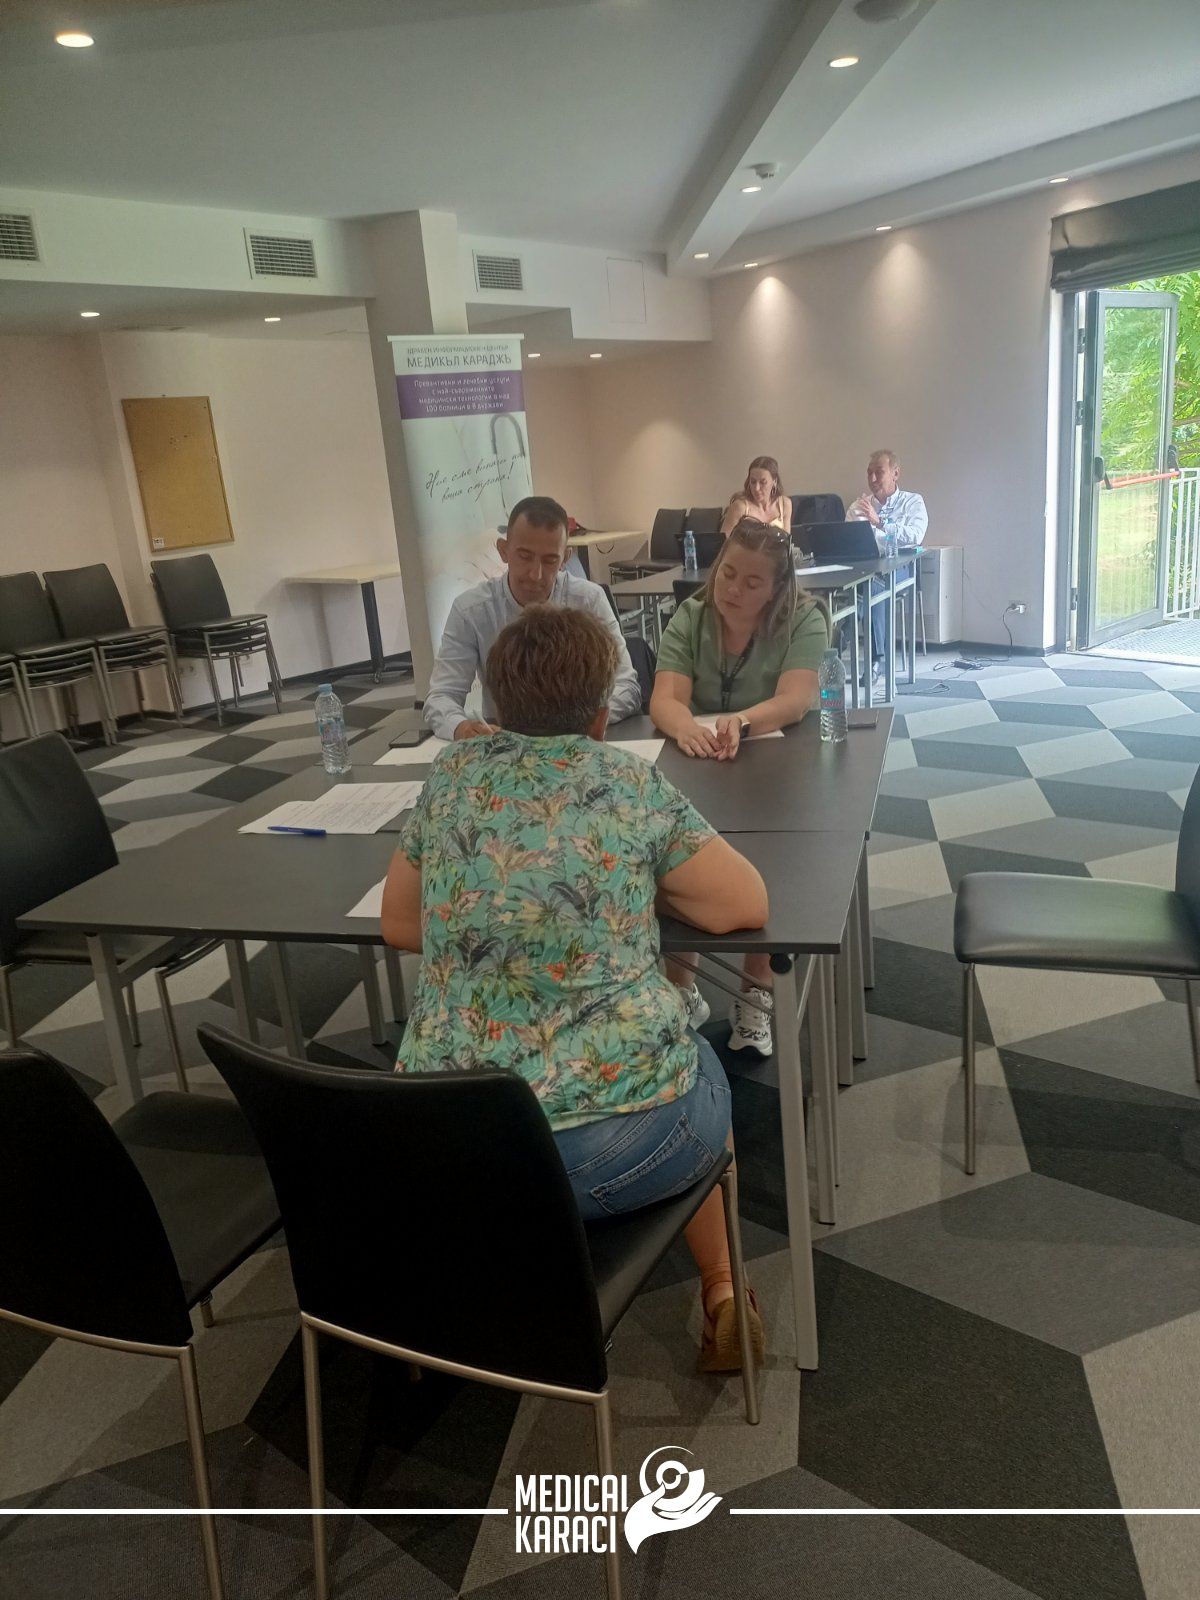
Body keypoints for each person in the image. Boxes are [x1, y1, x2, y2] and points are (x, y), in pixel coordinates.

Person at [383, 605, 769, 1370]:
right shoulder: (626, 781)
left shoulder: (453, 775)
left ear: (496, 705)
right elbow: (744, 903)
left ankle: (477, 1284)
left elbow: (400, 921)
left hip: (443, 1145)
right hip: (601, 1155)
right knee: (699, 1057)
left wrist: (504, 916)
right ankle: (724, 1289)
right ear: (600, 715)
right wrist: (622, 895)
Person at [649, 518, 830, 1055]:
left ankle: (756, 993)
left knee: (766, 861)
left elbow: (796, 698)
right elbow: (666, 699)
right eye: (727, 573)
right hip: (703, 758)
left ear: (776, 588)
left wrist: (744, 721)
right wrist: (685, 727)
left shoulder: (804, 618)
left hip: (777, 764)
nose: (733, 589)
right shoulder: (691, 615)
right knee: (675, 858)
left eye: (752, 582)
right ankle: (683, 990)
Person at [424, 494, 642, 740]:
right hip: (506, 741)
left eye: (550, 561)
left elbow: (627, 686)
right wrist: (461, 727)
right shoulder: (470, 610)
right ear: (503, 551)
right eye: (525, 557)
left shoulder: (589, 601)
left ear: (565, 558)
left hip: (577, 739)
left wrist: (578, 724)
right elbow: (442, 695)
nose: (535, 574)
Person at [847, 448, 928, 672]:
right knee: (849, 588)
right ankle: (839, 641)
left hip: (901, 565)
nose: (873, 478)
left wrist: (880, 523)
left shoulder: (912, 502)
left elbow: (915, 536)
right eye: (869, 473)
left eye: (879, 472)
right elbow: (850, 541)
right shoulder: (858, 507)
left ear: (895, 474)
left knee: (870, 588)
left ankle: (873, 659)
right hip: (866, 566)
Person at [719, 456, 790, 537]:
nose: (756, 488)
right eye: (753, 482)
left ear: (774, 481)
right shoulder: (740, 507)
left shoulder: (784, 504)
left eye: (763, 482)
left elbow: (787, 541)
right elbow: (722, 542)